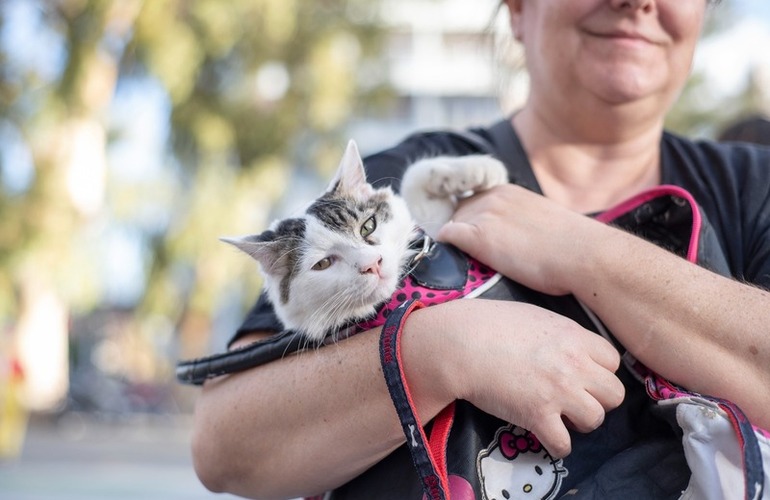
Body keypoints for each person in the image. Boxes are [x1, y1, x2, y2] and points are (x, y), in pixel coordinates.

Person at [191, 0, 770, 498]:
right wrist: (439, 351)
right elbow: (224, 444)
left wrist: (583, 251)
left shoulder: (754, 188)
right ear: (517, 9)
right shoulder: (409, 182)